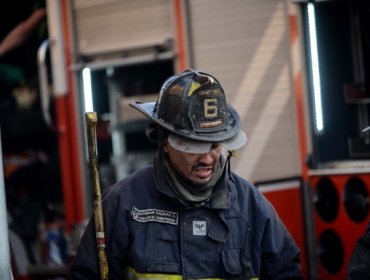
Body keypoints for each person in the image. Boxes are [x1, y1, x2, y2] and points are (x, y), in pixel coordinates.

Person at [70, 69, 303, 279]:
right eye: (194, 145)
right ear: (164, 142)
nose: (207, 158)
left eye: (214, 145)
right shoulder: (124, 204)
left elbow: (286, 272)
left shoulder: (250, 207)